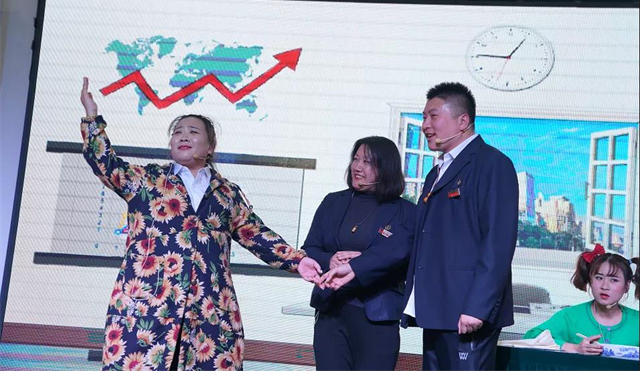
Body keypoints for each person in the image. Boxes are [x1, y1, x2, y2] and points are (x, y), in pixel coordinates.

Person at [79, 77, 321, 371]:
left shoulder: (226, 193)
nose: (183, 136)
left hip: (207, 313)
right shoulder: (146, 180)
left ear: (210, 147)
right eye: (177, 132)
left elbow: (256, 234)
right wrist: (92, 119)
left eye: (193, 132)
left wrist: (298, 261)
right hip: (147, 310)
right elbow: (105, 164)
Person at [401, 82, 519, 370]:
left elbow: (498, 242)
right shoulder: (436, 173)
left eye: (433, 116)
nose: (425, 125)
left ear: (463, 121)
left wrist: (478, 307)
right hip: (437, 309)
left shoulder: (493, 164)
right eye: (424, 117)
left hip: (467, 312)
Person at [301, 136, 415, 370]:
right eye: (356, 159)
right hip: (331, 313)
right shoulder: (333, 202)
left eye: (367, 162)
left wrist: (360, 263)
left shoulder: (406, 212)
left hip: (378, 317)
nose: (357, 167)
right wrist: (329, 259)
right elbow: (310, 248)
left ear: (386, 168)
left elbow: (402, 258)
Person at [523, 244, 639, 354]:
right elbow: (530, 338)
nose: (604, 286)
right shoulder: (570, 316)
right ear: (590, 280)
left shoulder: (636, 320)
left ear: (627, 285)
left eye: (614, 280)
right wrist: (574, 348)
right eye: (599, 278)